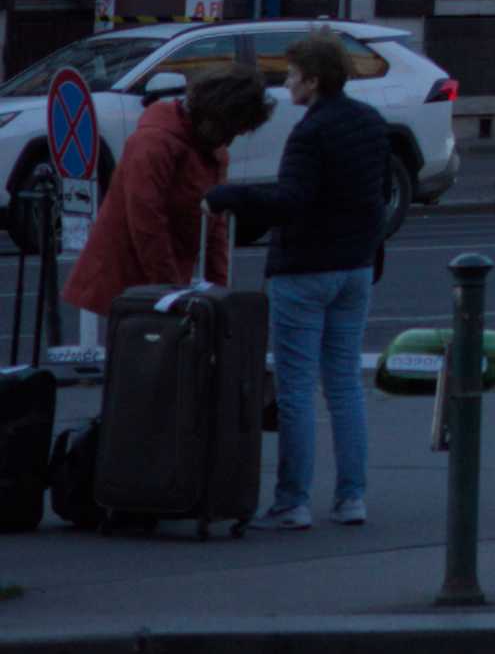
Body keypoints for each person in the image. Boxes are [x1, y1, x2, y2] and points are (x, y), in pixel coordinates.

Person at [262, 33, 403, 535]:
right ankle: (351, 498)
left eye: (292, 74)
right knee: (344, 385)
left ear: (314, 80)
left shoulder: (309, 133)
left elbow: (291, 200)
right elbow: (380, 195)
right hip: (355, 268)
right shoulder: (369, 123)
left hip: (303, 269)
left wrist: (234, 199)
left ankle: (292, 502)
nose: (286, 82)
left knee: (296, 390)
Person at [68, 68, 268, 325]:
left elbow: (215, 227)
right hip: (128, 279)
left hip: (165, 279)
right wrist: (172, 292)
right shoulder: (154, 142)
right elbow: (146, 221)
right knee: (142, 355)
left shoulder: (212, 150)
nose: (228, 142)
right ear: (212, 116)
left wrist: (220, 295)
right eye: (228, 131)